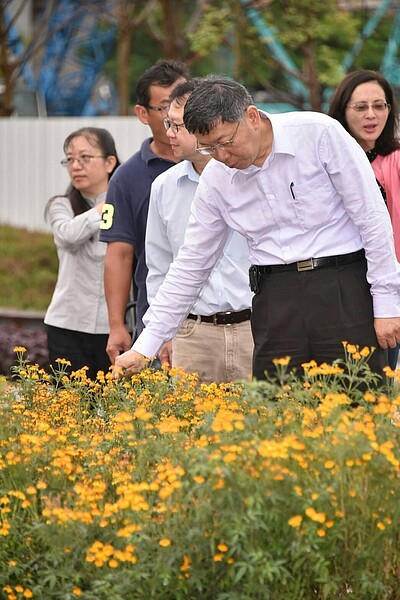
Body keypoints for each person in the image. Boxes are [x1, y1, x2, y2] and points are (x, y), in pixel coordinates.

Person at [113, 76, 400, 381]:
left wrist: (386, 303)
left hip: (342, 288)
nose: (222, 157)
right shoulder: (216, 179)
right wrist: (145, 345)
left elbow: (372, 219)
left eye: (226, 142)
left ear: (251, 116)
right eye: (210, 149)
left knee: (357, 401)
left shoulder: (318, 134)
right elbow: (191, 264)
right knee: (278, 412)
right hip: (274, 299)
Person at [146, 79, 253, 383]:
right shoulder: (164, 188)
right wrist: (163, 334)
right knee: (191, 427)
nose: (169, 134)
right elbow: (159, 268)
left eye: (177, 125)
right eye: (167, 123)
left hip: (253, 329)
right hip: (193, 334)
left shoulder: (252, 177)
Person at [99, 59, 190, 365]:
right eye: (164, 107)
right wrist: (116, 326)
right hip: (157, 321)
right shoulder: (128, 177)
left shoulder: (221, 161)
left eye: (181, 103)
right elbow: (120, 253)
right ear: (142, 113)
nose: (175, 115)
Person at [328, 69, 400, 370]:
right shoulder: (326, 162)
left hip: (390, 284)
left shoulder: (395, 159)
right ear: (343, 111)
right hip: (339, 287)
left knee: (380, 379)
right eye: (360, 107)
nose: (371, 115)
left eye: (379, 105)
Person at [44, 127, 120, 380]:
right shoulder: (60, 205)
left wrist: (116, 201)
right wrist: (105, 208)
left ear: (110, 162)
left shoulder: (126, 203)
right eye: (70, 159)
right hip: (67, 325)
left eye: (85, 158)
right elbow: (67, 234)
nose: (76, 166)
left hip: (113, 327)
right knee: (68, 405)